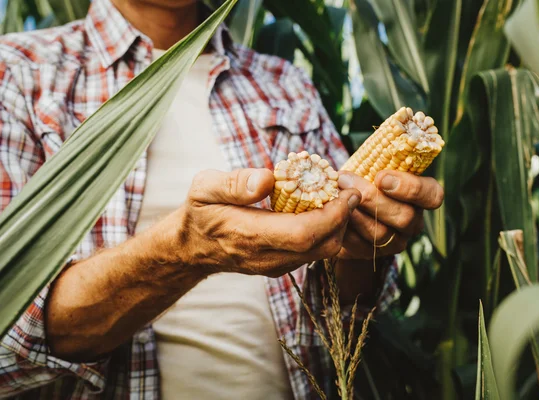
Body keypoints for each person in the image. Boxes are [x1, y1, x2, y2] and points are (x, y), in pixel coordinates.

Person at [0, 0, 444, 399]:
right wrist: (186, 251)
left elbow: (338, 317)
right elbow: (8, 333)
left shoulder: (286, 85)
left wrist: (359, 248)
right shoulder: (19, 75)